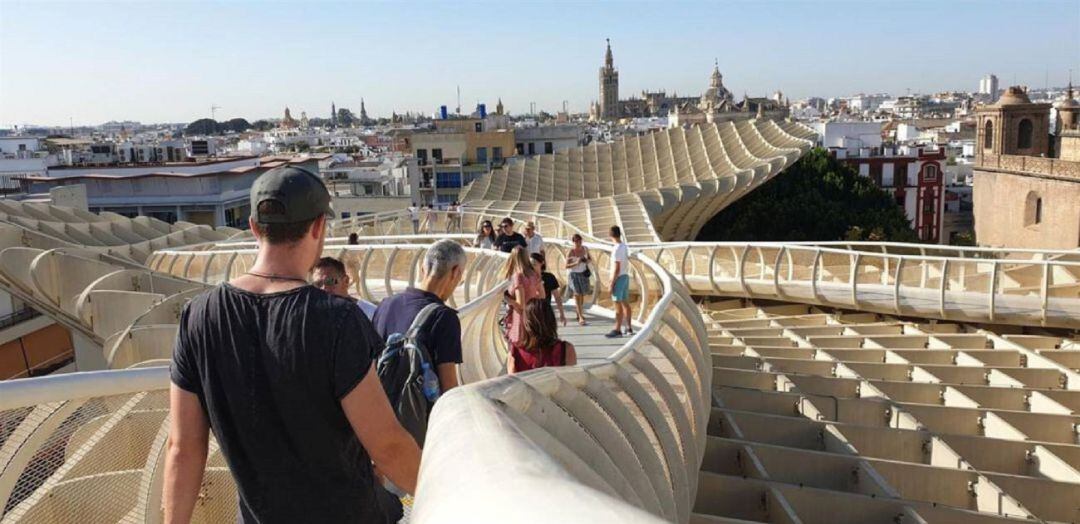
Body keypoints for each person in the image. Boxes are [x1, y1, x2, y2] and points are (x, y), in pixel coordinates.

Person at [166, 166, 419, 524]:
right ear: (318, 228)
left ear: (254, 227)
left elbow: (183, 449)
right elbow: (388, 446)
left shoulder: (198, 316)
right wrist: (449, 494)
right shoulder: (337, 319)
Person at [372, 239, 465, 394]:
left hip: (381, 408)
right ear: (456, 272)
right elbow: (449, 389)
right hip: (418, 415)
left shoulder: (385, 304)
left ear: (423, 268)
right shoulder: (444, 317)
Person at [507, 299, 577, 374]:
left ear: (526, 323)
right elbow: (572, 381)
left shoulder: (516, 352)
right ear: (551, 320)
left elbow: (512, 383)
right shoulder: (565, 349)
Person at [503, 246, 544, 347]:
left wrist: (507, 299)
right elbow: (542, 296)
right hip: (533, 315)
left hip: (521, 318)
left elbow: (520, 304)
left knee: (519, 347)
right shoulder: (534, 274)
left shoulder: (519, 276)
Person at [313, 256, 377, 319]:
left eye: (330, 281)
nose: (323, 288)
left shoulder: (370, 313)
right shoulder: (313, 316)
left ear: (346, 281)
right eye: (318, 284)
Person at [605, 225, 634, 338]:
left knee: (617, 305)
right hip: (625, 276)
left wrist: (612, 283)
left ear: (610, 235)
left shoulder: (616, 249)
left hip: (618, 278)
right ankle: (629, 327)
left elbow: (617, 268)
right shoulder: (624, 246)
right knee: (625, 303)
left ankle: (617, 329)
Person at [530, 252, 566, 327]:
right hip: (530, 311)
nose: (532, 266)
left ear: (542, 263)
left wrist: (562, 313)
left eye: (534, 263)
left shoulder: (549, 277)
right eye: (530, 264)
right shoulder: (526, 277)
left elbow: (557, 297)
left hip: (545, 310)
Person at [565, 233, 592, 326]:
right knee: (577, 294)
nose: (578, 243)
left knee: (582, 295)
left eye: (579, 240)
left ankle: (578, 312)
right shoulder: (571, 251)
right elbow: (566, 265)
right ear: (573, 242)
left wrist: (586, 261)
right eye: (576, 241)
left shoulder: (585, 249)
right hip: (574, 275)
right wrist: (576, 262)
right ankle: (580, 316)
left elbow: (590, 259)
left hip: (583, 274)